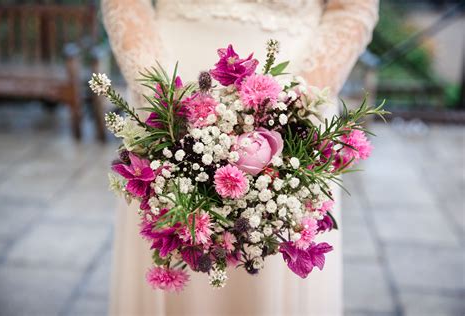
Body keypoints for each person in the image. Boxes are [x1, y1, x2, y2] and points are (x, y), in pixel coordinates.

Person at [102, 1, 379, 315]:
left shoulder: (295, 107)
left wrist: (295, 108)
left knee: (274, 258)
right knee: (171, 231)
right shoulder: (163, 101)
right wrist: (160, 98)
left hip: (294, 98)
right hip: (169, 90)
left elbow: (352, 8)